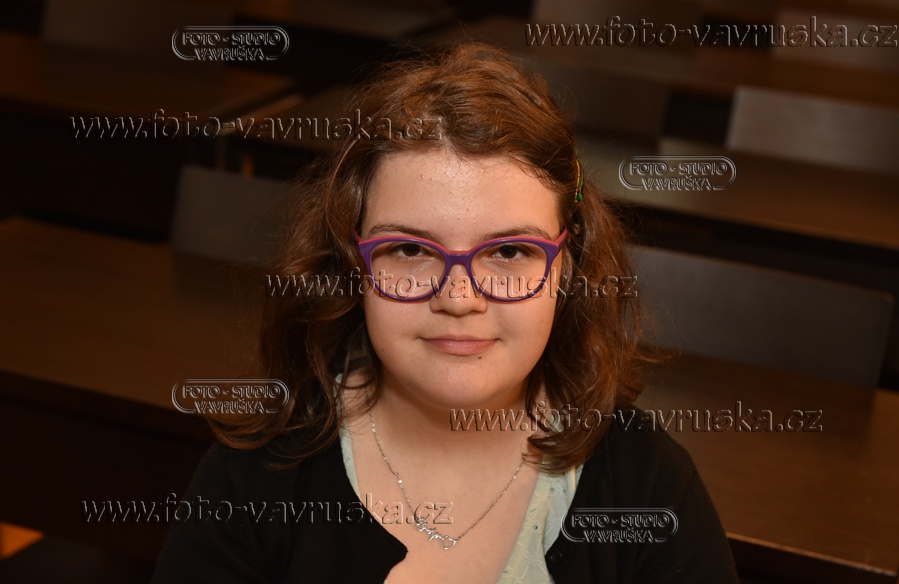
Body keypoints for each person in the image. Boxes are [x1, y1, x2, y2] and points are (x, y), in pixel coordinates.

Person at [151, 42, 739, 583]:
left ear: (567, 266)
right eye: (410, 250)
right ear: (353, 263)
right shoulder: (253, 482)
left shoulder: (650, 489)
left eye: (509, 252)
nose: (459, 299)